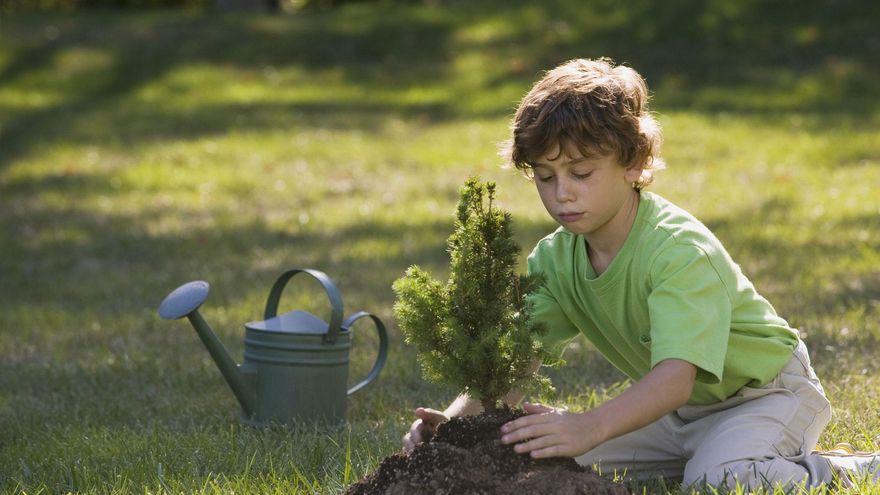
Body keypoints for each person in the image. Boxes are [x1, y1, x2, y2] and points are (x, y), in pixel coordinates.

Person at [403, 57, 879, 490]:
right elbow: (517, 363)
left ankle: (846, 470)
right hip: (679, 414)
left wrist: (589, 425)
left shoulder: (676, 250)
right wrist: (454, 424)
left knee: (719, 481)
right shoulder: (554, 258)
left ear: (633, 163)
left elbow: (675, 377)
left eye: (581, 173)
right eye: (545, 178)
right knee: (548, 457)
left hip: (767, 396)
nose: (561, 194)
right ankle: (716, 451)